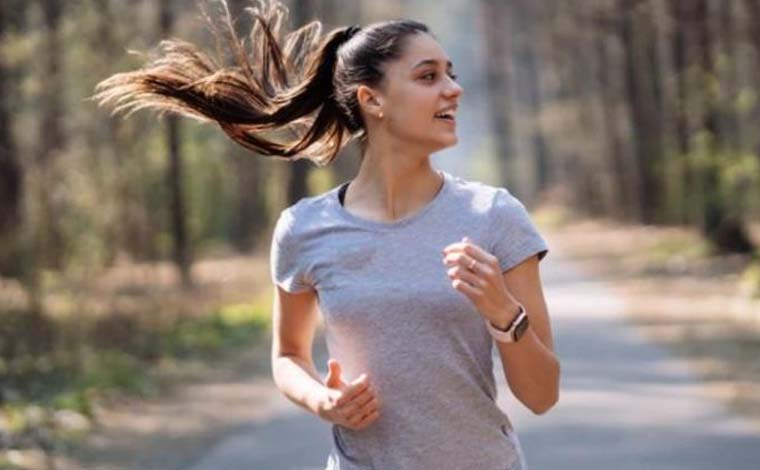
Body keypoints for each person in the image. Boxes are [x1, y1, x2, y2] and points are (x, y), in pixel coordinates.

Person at [90, 1, 560, 468]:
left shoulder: (493, 215)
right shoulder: (306, 229)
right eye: (428, 76)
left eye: (451, 74)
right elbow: (289, 356)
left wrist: (502, 312)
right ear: (371, 99)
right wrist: (322, 400)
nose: (453, 90)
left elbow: (541, 396)